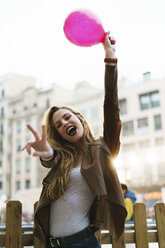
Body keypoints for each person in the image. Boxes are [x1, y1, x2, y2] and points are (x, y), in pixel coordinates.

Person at [22, 32, 127, 248]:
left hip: (83, 243)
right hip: (51, 244)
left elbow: (111, 107)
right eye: (58, 125)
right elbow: (51, 159)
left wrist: (110, 59)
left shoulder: (102, 149)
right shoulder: (63, 158)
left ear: (79, 118)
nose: (64, 124)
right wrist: (47, 152)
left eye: (67, 117)